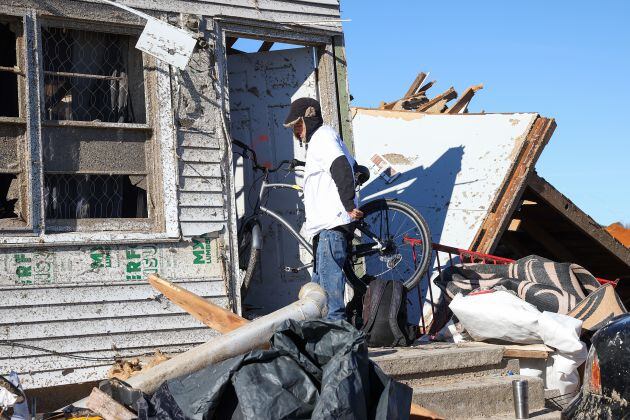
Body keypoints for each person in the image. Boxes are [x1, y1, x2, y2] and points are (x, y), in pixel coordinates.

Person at [283, 97, 363, 321]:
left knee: (329, 286)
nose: (296, 132)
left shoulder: (322, 138)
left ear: (308, 119)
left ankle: (335, 334)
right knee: (319, 288)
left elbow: (340, 167)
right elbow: (350, 166)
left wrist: (348, 203)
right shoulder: (324, 138)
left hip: (332, 223)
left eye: (297, 126)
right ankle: (320, 333)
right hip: (325, 226)